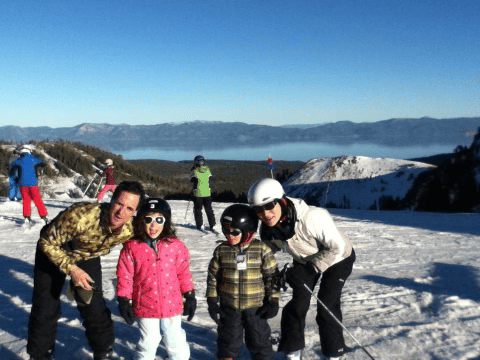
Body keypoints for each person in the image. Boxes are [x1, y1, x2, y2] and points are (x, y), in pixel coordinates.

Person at [27, 181, 146, 360]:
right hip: (55, 247)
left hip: (87, 253)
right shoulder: (82, 216)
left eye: (129, 208)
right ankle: (40, 355)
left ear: (135, 211)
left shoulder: (131, 228)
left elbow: (151, 249)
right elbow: (46, 242)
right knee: (46, 305)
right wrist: (72, 270)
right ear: (111, 200)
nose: (121, 212)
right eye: (119, 204)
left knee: (92, 302)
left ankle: (103, 350)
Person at [247, 178, 355, 360]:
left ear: (281, 201)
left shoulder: (312, 217)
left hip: (339, 258)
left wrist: (314, 268)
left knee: (327, 304)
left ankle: (334, 352)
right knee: (298, 304)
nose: (265, 214)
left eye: (269, 206)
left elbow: (336, 247)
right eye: (258, 209)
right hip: (305, 259)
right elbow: (266, 254)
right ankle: (293, 349)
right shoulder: (268, 228)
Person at [116, 197, 196, 360]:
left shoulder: (175, 245)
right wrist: (123, 299)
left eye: (159, 220)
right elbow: (125, 275)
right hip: (145, 303)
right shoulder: (132, 247)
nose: (153, 225)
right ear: (140, 221)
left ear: (166, 222)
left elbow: (183, 272)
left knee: (175, 339)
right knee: (149, 341)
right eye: (148, 219)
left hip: (171, 304)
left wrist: (189, 295)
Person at [206, 204, 280, 360]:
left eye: (234, 232)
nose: (229, 236)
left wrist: (273, 300)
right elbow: (213, 276)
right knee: (228, 341)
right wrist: (212, 300)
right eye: (226, 231)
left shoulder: (261, 249)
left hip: (256, 307)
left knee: (259, 340)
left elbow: (272, 276)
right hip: (229, 306)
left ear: (248, 231)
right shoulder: (222, 250)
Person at [9, 144, 48, 224]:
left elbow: (12, 166)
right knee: (37, 200)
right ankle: (43, 216)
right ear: (29, 150)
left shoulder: (19, 160)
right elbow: (43, 163)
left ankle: (27, 217)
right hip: (33, 184)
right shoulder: (33, 159)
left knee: (26, 200)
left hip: (23, 184)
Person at [190, 155, 216, 231]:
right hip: (207, 193)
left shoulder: (195, 171)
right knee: (209, 209)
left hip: (198, 193)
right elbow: (210, 179)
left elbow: (192, 180)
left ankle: (199, 225)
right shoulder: (208, 170)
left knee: (198, 209)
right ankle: (212, 225)